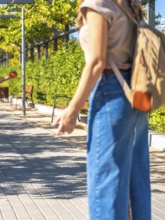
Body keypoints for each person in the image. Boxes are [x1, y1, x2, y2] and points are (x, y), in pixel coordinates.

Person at [51, 0, 151, 219]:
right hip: (137, 94)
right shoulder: (130, 5)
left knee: (106, 184)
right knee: (138, 184)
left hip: (112, 92)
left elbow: (97, 61)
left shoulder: (98, 2)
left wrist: (73, 108)